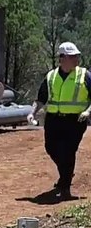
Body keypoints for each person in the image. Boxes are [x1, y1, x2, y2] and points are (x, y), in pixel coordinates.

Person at [33, 42, 91, 200]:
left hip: (75, 121)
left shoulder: (84, 75)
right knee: (51, 148)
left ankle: (65, 187)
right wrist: (33, 112)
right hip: (53, 120)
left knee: (68, 151)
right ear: (62, 58)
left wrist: (87, 111)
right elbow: (41, 98)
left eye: (77, 56)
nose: (77, 59)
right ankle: (66, 173)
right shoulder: (51, 76)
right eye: (73, 56)